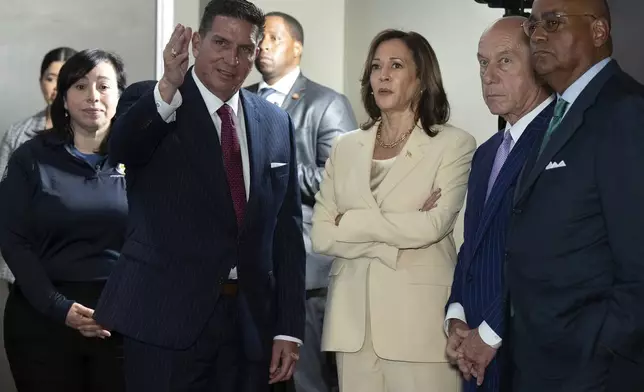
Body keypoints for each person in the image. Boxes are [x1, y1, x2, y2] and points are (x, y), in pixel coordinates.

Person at [93, 1, 306, 391]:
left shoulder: (276, 122)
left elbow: (287, 230)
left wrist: (289, 328)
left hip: (250, 327)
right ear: (196, 42)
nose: (231, 59)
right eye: (221, 43)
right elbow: (122, 149)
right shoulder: (155, 101)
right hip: (164, 320)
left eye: (245, 49)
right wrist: (168, 87)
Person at [311, 29, 476, 392]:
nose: (382, 75)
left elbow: (433, 225)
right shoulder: (345, 146)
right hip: (351, 326)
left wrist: (350, 222)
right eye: (375, 66)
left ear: (421, 80)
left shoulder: (453, 145)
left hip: (418, 326)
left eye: (396, 66)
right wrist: (400, 230)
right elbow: (322, 235)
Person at [506, 0, 644, 390]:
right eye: (533, 26)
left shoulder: (625, 111)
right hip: (538, 356)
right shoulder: (558, 113)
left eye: (553, 22)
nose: (539, 35)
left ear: (598, 32)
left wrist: (602, 349)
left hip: (590, 367)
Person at [0, 49, 127, 392]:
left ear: (119, 95)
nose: (93, 97)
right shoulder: (31, 157)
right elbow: (13, 240)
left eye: (104, 86)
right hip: (43, 318)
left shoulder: (140, 158)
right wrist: (59, 307)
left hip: (120, 321)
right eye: (80, 86)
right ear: (64, 98)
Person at [246, 11, 357, 392]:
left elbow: (341, 181)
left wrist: (273, 168)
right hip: (250, 272)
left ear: (298, 47)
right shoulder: (240, 102)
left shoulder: (328, 104)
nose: (262, 45)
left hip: (307, 271)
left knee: (306, 382)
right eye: (259, 38)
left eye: (273, 38)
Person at [444, 16, 555, 392]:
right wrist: (456, 315)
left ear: (539, 63)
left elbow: (547, 255)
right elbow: (472, 245)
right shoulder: (487, 152)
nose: (488, 76)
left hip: (529, 353)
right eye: (482, 62)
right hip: (475, 353)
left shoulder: (560, 142)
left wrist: (489, 331)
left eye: (504, 61)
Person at [0, 46, 77, 288]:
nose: (55, 86)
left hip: (76, 260)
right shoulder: (18, 133)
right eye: (50, 78)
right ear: (40, 81)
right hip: (24, 259)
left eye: (63, 79)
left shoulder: (92, 131)